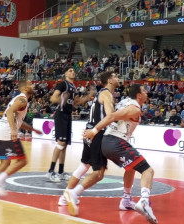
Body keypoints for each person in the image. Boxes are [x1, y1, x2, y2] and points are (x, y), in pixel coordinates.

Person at [83, 83, 158, 223]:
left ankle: (126, 200)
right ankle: (144, 202)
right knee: (148, 171)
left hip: (108, 142)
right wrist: (94, 131)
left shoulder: (126, 102)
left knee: (131, 168)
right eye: (144, 91)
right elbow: (111, 116)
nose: (147, 93)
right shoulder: (134, 108)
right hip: (115, 142)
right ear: (139, 95)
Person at [60, 71, 119, 215]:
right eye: (115, 76)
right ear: (110, 81)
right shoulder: (107, 94)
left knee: (84, 165)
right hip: (97, 133)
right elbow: (111, 116)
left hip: (89, 130)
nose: (118, 78)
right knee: (99, 173)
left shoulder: (101, 93)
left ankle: (63, 197)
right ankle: (73, 193)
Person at [0, 79, 42, 199]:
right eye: (30, 84)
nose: (33, 85)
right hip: (7, 131)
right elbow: (10, 113)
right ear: (25, 88)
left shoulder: (21, 100)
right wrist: (13, 130)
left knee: (6, 162)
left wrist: (33, 130)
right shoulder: (22, 99)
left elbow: (19, 121)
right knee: (22, 161)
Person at [46, 68, 91, 182]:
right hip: (61, 114)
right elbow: (53, 98)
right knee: (61, 142)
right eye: (70, 71)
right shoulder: (63, 84)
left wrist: (88, 97)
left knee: (64, 145)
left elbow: (76, 103)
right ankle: (50, 171)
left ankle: (61, 172)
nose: (73, 72)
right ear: (65, 73)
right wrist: (63, 100)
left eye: (73, 71)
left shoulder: (74, 87)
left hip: (68, 115)